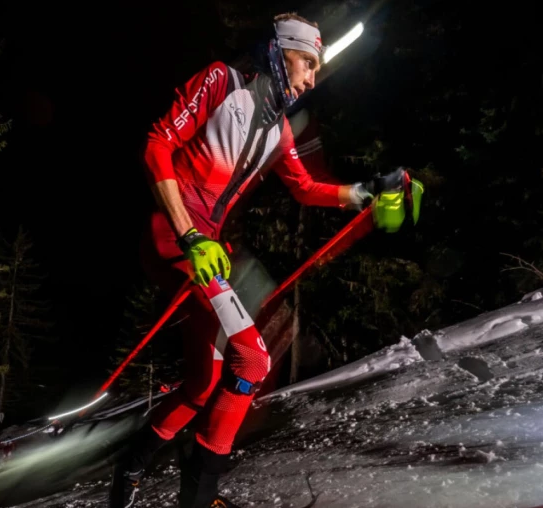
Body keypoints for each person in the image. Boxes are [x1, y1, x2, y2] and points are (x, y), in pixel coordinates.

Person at [110, 12, 424, 508]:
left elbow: (305, 189)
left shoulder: (277, 130)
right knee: (253, 358)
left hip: (207, 248)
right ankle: (199, 493)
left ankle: (129, 469)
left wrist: (368, 191)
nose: (311, 79)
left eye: (316, 69)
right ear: (278, 54)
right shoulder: (221, 81)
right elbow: (157, 143)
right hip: (177, 238)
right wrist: (189, 234)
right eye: (305, 64)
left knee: (203, 381)